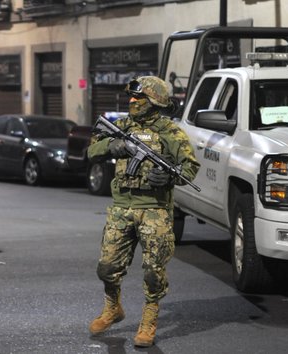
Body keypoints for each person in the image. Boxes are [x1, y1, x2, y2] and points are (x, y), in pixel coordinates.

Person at [87, 76, 199, 347]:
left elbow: (190, 167)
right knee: (107, 266)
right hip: (121, 206)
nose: (132, 101)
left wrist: (171, 178)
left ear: (155, 102)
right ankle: (113, 307)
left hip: (155, 210)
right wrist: (113, 146)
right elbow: (92, 151)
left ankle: (149, 318)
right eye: (132, 97)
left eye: (139, 98)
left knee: (153, 269)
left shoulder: (170, 132)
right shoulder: (122, 127)